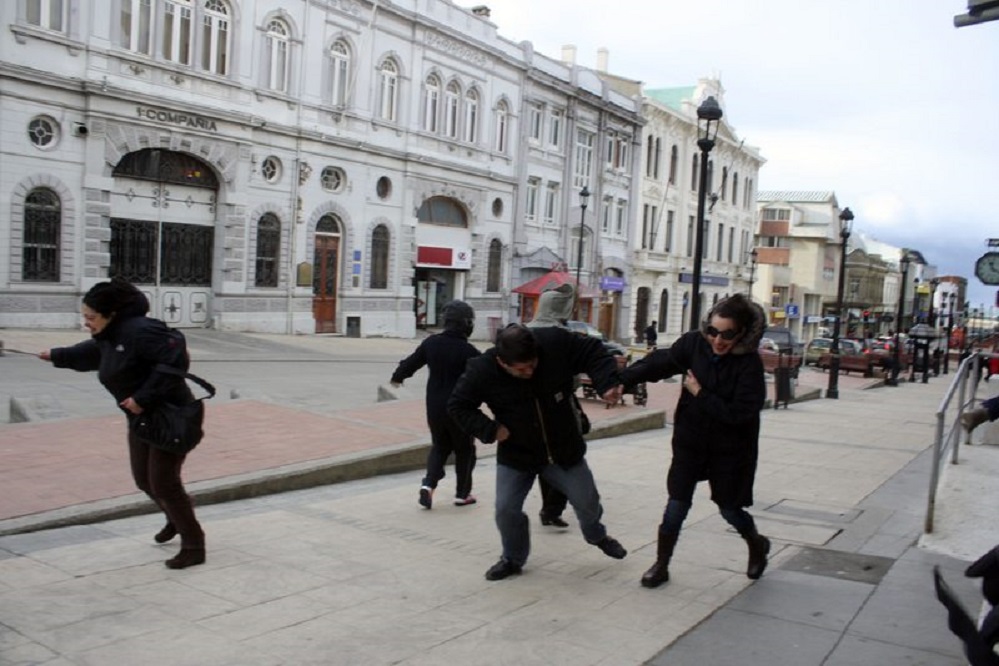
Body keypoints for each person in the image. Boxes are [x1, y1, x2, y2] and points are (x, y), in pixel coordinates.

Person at [39, 278, 206, 569]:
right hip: (141, 418)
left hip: (171, 416)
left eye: (91, 317)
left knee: (164, 483)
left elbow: (175, 358)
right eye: (84, 316)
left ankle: (194, 545)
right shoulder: (111, 336)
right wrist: (57, 355)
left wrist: (143, 397)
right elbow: (91, 353)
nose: (86, 323)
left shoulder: (142, 331)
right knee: (144, 480)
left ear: (112, 314)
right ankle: (175, 518)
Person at [448, 323, 627, 581]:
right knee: (505, 509)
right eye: (521, 369)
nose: (530, 372)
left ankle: (597, 536)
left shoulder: (554, 343)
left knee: (587, 502)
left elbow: (593, 351)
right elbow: (458, 405)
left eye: (532, 364)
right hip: (517, 453)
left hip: (563, 449)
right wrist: (490, 429)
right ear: (502, 362)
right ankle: (512, 559)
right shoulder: (482, 370)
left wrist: (607, 382)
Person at [618, 293, 770, 588]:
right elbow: (661, 362)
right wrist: (622, 380)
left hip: (730, 450)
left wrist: (700, 393)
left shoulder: (749, 364)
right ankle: (661, 565)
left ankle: (756, 542)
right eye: (713, 331)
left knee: (729, 509)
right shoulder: (694, 344)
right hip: (691, 442)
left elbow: (740, 414)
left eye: (727, 334)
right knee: (676, 505)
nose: (718, 340)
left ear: (741, 333)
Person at [391, 300, 481, 508]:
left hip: (434, 407)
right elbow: (485, 379)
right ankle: (462, 494)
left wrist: (397, 377)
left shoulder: (431, 343)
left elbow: (410, 363)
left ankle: (428, 485)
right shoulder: (470, 352)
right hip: (460, 409)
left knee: (440, 446)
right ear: (466, 323)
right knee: (465, 450)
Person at [525, 283, 579, 529]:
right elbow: (573, 378)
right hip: (559, 409)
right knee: (565, 460)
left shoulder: (525, 333)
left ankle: (549, 508)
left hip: (530, 411)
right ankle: (552, 509)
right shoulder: (563, 337)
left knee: (544, 460)